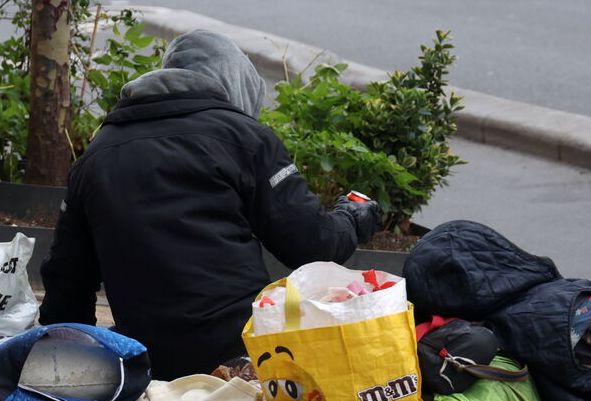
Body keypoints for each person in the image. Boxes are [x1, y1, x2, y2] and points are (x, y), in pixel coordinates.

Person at [38, 30, 380, 381]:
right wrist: (352, 219)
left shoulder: (97, 155)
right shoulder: (243, 139)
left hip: (146, 362)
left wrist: (71, 363)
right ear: (234, 83)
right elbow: (312, 244)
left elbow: (67, 280)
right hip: (239, 359)